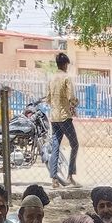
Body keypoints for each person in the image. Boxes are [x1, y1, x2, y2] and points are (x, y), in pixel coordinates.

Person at [47, 51, 80, 188]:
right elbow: (71, 97)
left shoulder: (52, 78)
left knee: (55, 146)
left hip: (54, 117)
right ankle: (70, 175)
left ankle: (54, 178)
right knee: (75, 144)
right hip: (65, 117)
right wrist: (74, 104)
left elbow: (48, 98)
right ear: (65, 64)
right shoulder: (66, 78)